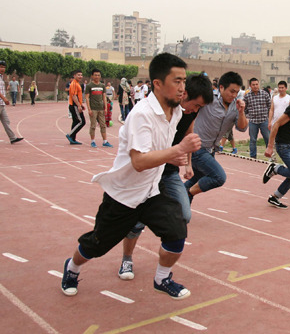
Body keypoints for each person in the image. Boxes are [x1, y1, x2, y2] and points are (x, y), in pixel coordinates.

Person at [61, 53, 202, 299]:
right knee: (96, 245)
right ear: (157, 83)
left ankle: (162, 278)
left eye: (184, 81)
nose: (183, 88)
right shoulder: (141, 114)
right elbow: (138, 162)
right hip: (124, 196)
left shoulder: (176, 112)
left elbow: (154, 152)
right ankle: (72, 268)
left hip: (152, 192)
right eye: (177, 81)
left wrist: (171, 157)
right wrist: (177, 150)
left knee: (177, 231)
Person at [117, 72, 214, 280]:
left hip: (168, 173)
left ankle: (161, 239)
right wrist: (171, 156)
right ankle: (127, 258)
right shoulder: (157, 111)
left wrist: (188, 163)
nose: (195, 111)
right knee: (136, 221)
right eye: (195, 105)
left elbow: (188, 132)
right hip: (149, 169)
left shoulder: (188, 113)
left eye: (199, 108)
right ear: (184, 94)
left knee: (184, 215)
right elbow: (143, 153)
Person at [185, 71, 248, 202]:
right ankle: (186, 195)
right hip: (198, 148)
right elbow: (190, 109)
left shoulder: (236, 105)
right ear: (221, 87)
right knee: (218, 177)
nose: (234, 95)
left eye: (237, 92)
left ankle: (177, 204)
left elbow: (242, 128)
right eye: (231, 91)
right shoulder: (209, 99)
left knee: (195, 180)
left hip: (211, 150)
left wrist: (241, 112)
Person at [244, 77, 271, 158]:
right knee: (252, 140)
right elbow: (244, 109)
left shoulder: (265, 94)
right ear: (250, 85)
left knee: (267, 139)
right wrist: (248, 116)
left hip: (264, 121)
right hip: (253, 122)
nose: (255, 86)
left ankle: (270, 156)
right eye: (253, 85)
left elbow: (270, 107)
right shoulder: (247, 96)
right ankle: (253, 156)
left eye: (256, 84)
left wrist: (269, 119)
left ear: (258, 84)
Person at [85, 69, 113, 148]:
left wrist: (106, 108)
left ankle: (105, 141)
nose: (97, 77)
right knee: (93, 125)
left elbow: (104, 97)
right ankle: (93, 141)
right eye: (95, 75)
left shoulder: (102, 86)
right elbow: (87, 98)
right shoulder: (89, 86)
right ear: (92, 76)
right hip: (93, 109)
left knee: (103, 125)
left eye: (98, 75)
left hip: (101, 108)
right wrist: (89, 109)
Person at [0, 60, 23, 144]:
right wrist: (4, 98)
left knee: (6, 121)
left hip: (2, 104)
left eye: (4, 67)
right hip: (1, 102)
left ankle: (12, 138)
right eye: (1, 67)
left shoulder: (1, 77)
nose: (3, 69)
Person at [66, 70, 86, 145]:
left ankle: (72, 139)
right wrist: (78, 106)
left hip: (75, 105)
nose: (80, 76)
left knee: (75, 121)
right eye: (78, 75)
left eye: (81, 75)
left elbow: (78, 95)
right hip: (74, 105)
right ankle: (70, 135)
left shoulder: (77, 83)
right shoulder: (74, 84)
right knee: (82, 121)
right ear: (74, 75)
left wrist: (81, 104)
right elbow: (74, 96)